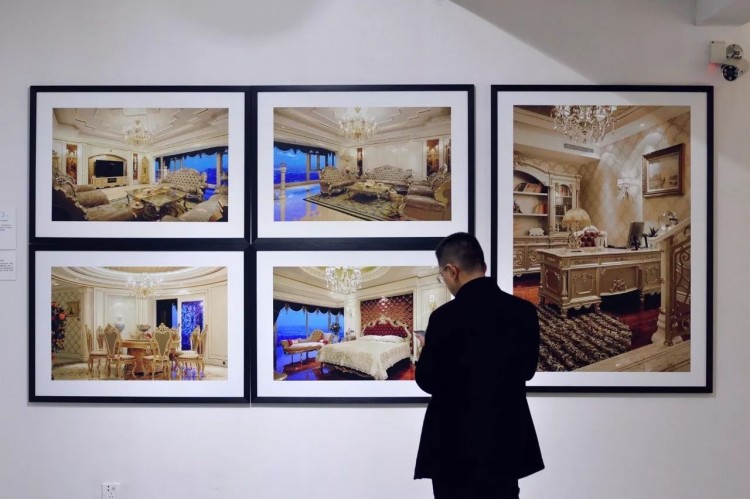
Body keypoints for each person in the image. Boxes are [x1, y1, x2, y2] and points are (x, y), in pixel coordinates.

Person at [414, 232, 544, 499]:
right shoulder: (523, 312)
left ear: (452, 271)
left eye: (442, 275)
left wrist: (427, 349)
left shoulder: (443, 318)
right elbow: (527, 371)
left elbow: (426, 380)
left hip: (452, 447)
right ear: (483, 266)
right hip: (504, 444)